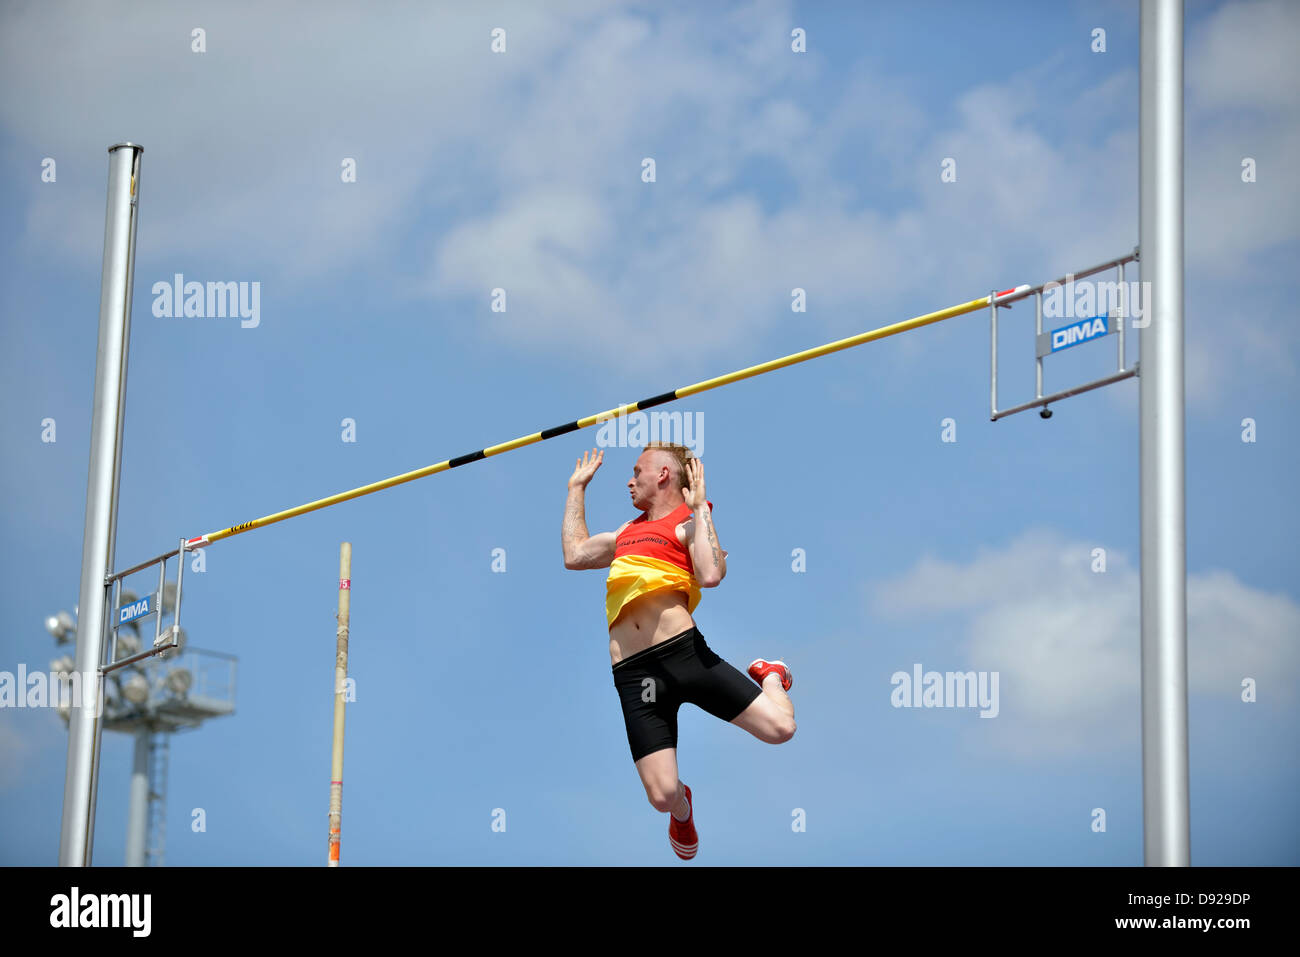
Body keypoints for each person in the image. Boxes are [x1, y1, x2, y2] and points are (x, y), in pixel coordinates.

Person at [562, 441, 796, 860]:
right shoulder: (623, 534)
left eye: (637, 471)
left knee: (781, 729)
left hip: (683, 656)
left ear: (663, 475)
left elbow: (710, 574)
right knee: (662, 795)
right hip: (635, 676)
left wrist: (702, 508)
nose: (629, 480)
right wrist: (576, 489)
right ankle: (684, 806)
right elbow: (574, 555)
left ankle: (771, 675)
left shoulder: (687, 526)